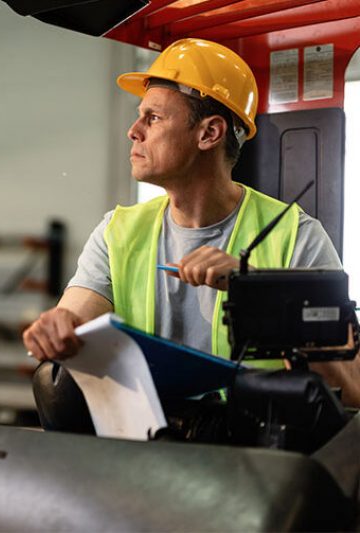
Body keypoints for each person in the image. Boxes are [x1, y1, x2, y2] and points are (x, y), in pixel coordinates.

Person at [22, 38, 359, 405]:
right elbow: (72, 322)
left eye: (153, 118)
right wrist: (57, 329)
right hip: (152, 445)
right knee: (54, 382)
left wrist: (259, 294)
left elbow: (352, 390)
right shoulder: (117, 232)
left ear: (209, 133)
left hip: (258, 452)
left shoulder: (296, 237)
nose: (133, 131)